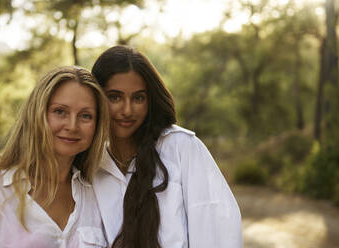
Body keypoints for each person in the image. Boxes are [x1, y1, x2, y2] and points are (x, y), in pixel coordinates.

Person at [92, 45, 242, 248]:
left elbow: (218, 230)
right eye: (115, 97)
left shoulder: (182, 148)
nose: (127, 110)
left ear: (150, 100)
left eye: (138, 98)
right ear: (96, 98)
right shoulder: (89, 167)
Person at [0, 66, 109, 247]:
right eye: (60, 111)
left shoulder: (97, 196)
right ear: (37, 114)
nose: (72, 126)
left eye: (85, 116)